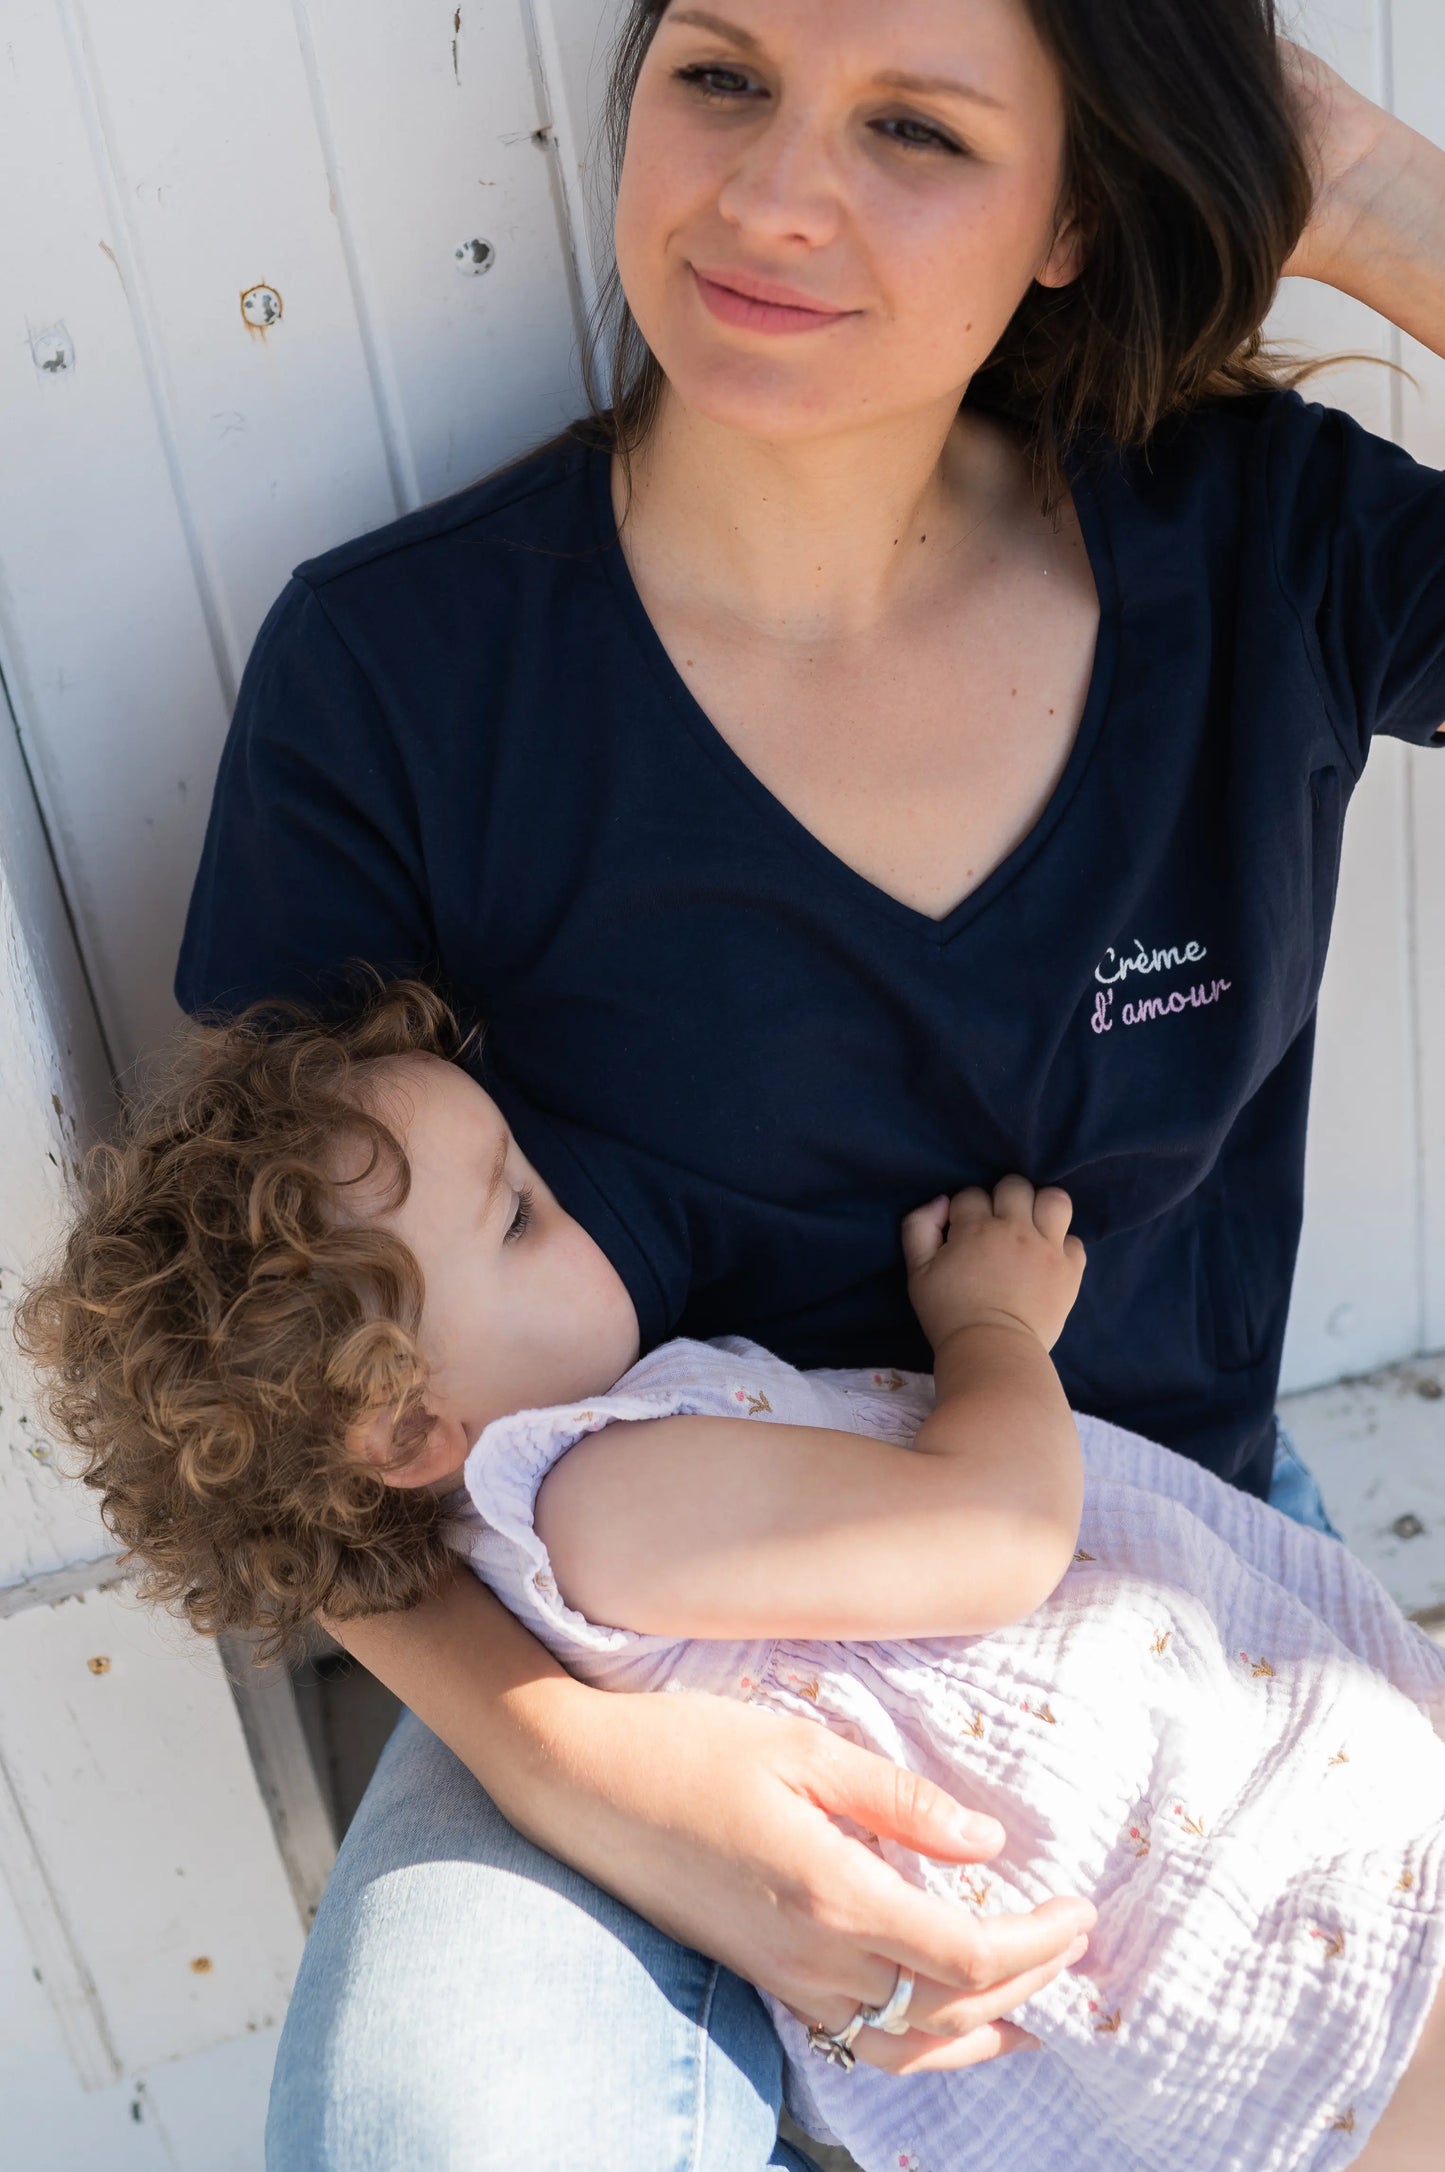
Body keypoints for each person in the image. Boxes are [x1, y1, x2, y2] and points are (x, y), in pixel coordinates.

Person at [169, 1, 1445, 2162]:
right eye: (723, 75)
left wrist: (1373, 197)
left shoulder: (1251, 544)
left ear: (1072, 212)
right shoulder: (404, 675)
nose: (769, 197)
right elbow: (261, 1388)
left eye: (918, 131)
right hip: (623, 1637)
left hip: (1154, 1601)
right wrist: (601, 1777)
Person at [18, 985, 1445, 2170]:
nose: (570, 1203)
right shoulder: (599, 1495)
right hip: (1237, 1927)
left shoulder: (585, 1495)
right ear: (404, 1433)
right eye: (517, 1216)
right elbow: (996, 1539)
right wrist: (993, 1330)